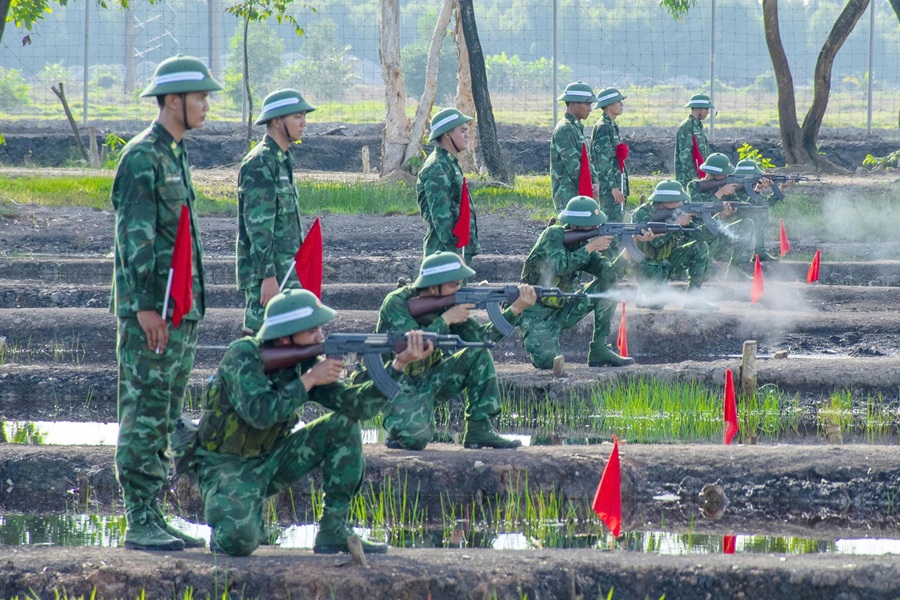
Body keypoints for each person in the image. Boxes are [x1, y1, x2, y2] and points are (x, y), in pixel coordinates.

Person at [193, 290, 433, 556]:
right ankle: (229, 515)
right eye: (312, 331)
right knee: (238, 542)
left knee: (344, 424)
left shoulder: (303, 362)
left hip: (270, 460)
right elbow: (260, 414)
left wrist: (398, 365)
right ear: (285, 336)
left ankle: (333, 528)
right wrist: (310, 379)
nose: (320, 337)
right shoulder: (243, 355)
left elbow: (357, 407)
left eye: (320, 329)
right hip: (225, 465)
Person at [111, 55, 221, 551]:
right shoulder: (142, 157)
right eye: (200, 97)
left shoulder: (175, 153)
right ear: (172, 100)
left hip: (179, 311)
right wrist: (144, 307)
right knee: (145, 412)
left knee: (167, 411)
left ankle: (153, 513)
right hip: (152, 314)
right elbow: (133, 240)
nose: (206, 105)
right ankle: (139, 520)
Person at [375, 252, 536, 451]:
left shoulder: (449, 304)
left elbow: (482, 339)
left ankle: (479, 429)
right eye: (454, 285)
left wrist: (515, 310)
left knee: (478, 353)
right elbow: (411, 345)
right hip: (395, 383)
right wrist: (446, 319)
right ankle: (399, 426)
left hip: (430, 378)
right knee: (415, 439)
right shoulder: (396, 302)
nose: (459, 290)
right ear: (433, 286)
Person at [519, 196, 635, 371]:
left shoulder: (582, 244)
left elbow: (610, 274)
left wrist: (631, 246)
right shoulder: (553, 235)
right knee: (547, 362)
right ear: (577, 225)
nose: (596, 228)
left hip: (563, 308)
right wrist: (591, 247)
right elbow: (560, 265)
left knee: (608, 287)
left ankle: (599, 349)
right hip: (536, 313)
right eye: (592, 225)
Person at [236, 88, 316, 334]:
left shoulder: (282, 160)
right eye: (297, 117)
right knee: (262, 341)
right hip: (270, 276)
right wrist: (267, 277)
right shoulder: (261, 162)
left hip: (287, 271)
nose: (303, 123)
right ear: (277, 121)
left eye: (304, 116)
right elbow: (259, 228)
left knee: (289, 340)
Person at [631, 180, 714, 310]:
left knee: (701, 247)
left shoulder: (678, 213)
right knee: (656, 305)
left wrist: (715, 217)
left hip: (668, 261)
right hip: (647, 266)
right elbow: (655, 242)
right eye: (678, 201)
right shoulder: (642, 213)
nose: (681, 204)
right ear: (665, 202)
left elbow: (702, 236)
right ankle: (644, 292)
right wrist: (676, 224)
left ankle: (694, 297)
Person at [686, 153, 768, 273]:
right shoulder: (694, 186)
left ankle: (736, 270)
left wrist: (757, 190)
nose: (726, 176)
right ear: (712, 173)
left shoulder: (727, 187)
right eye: (723, 173)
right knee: (706, 274)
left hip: (719, 237)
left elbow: (743, 211)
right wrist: (720, 193)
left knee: (747, 223)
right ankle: (702, 270)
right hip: (700, 236)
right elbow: (698, 212)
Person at [417, 107, 479, 263]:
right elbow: (441, 216)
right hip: (444, 253)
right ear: (447, 135)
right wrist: (454, 253)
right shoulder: (437, 167)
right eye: (462, 131)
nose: (467, 135)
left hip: (455, 249)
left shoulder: (449, 163)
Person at [551, 82, 599, 212]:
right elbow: (574, 167)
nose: (590, 109)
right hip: (569, 198)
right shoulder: (565, 129)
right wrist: (590, 187)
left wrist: (595, 182)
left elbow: (586, 161)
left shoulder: (575, 128)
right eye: (587, 104)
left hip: (580, 195)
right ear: (573, 104)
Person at [589, 88, 629, 222]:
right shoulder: (604, 127)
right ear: (609, 105)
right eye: (618, 102)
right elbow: (603, 161)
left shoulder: (611, 125)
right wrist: (613, 187)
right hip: (610, 189)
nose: (621, 105)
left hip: (615, 185)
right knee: (612, 226)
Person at [674, 94, 714, 188]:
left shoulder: (698, 126)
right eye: (706, 109)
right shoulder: (687, 126)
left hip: (700, 176)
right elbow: (685, 156)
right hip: (688, 179)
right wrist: (693, 177)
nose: (708, 112)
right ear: (698, 109)